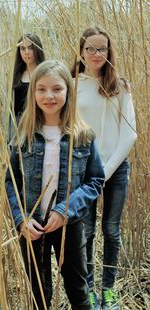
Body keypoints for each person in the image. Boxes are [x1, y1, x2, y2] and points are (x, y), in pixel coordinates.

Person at [6, 60, 105, 310]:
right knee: (39, 294)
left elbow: (95, 180)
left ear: (67, 92)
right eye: (41, 89)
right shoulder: (23, 134)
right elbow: (11, 181)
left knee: (78, 290)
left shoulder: (83, 135)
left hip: (69, 226)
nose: (49, 96)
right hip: (32, 227)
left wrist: (65, 210)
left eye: (57, 89)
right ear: (33, 93)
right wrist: (21, 219)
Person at [71, 27, 137, 310]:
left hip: (116, 168)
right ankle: (88, 292)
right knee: (85, 232)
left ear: (110, 51)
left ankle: (108, 288)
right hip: (84, 171)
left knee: (111, 230)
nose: (97, 54)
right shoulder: (72, 84)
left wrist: (106, 172)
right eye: (91, 49)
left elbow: (130, 134)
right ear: (81, 52)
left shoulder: (120, 85)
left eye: (103, 48)